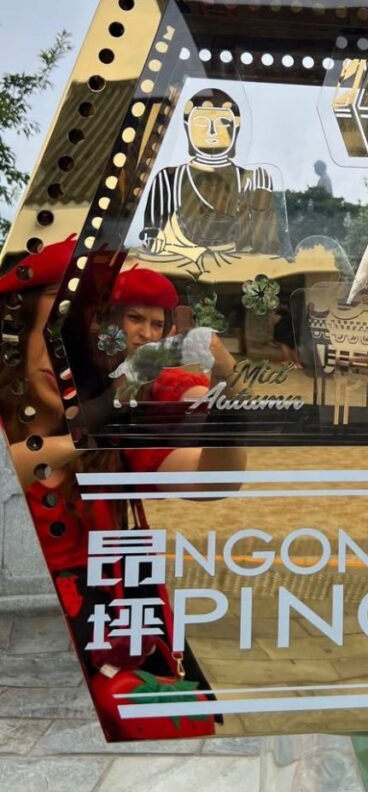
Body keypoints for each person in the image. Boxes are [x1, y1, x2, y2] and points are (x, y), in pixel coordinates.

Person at [0, 238, 245, 736]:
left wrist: (228, 389)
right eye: (50, 333)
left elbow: (214, 480)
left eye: (76, 337)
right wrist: (117, 400)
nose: (60, 353)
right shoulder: (95, 414)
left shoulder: (115, 424)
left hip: (119, 650)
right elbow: (27, 461)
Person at [139, 87, 283, 265]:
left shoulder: (252, 178)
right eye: (201, 122)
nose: (212, 131)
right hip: (183, 261)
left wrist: (259, 204)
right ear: (187, 128)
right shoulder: (168, 178)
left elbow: (268, 244)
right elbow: (152, 232)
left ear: (236, 129)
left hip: (237, 265)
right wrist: (155, 237)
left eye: (223, 121)